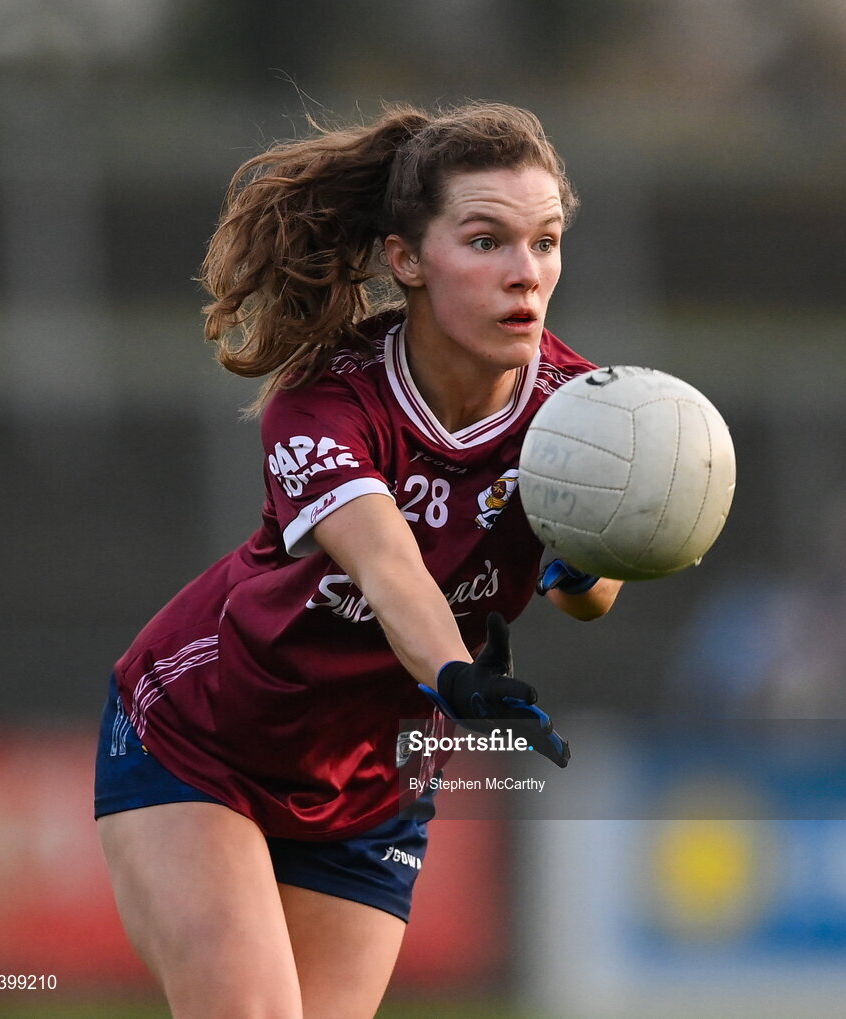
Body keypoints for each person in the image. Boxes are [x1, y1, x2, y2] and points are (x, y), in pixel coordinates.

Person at [94, 100, 622, 1018]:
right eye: (487, 241)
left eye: (545, 242)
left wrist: (595, 545)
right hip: (202, 739)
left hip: (372, 786)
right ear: (405, 258)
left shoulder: (581, 414)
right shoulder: (327, 398)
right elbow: (389, 569)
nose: (525, 274)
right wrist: (458, 675)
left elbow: (592, 592)